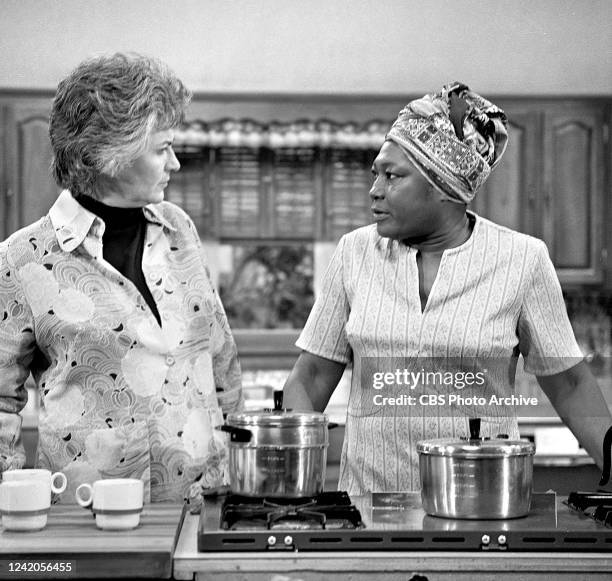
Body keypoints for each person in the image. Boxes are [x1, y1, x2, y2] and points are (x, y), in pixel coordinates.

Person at [283, 82, 612, 495]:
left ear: (443, 188)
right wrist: (294, 485)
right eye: (375, 174)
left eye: (393, 175)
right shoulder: (355, 253)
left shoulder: (522, 260)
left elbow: (570, 385)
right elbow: (310, 378)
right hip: (368, 510)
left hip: (485, 509)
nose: (375, 190)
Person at [0, 53, 242, 502]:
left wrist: (239, 474)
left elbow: (221, 359)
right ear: (112, 154)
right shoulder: (22, 260)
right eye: (161, 149)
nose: (175, 164)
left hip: (203, 505)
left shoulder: (180, 230)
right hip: (88, 521)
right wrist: (13, 508)